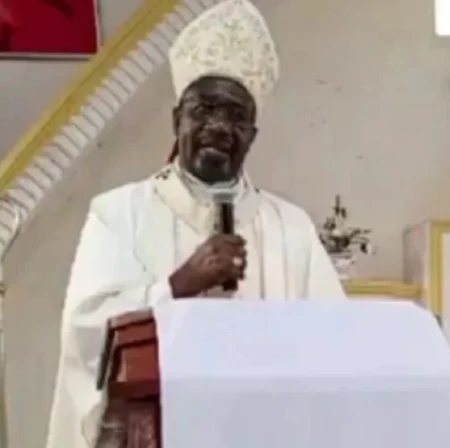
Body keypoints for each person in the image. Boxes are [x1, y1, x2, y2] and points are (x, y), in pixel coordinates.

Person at [45, 0, 345, 446]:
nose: (220, 126)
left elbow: (335, 345)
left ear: (252, 136)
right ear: (176, 120)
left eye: (237, 116)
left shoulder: (291, 229)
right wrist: (177, 285)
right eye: (204, 109)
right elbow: (84, 328)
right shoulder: (118, 214)